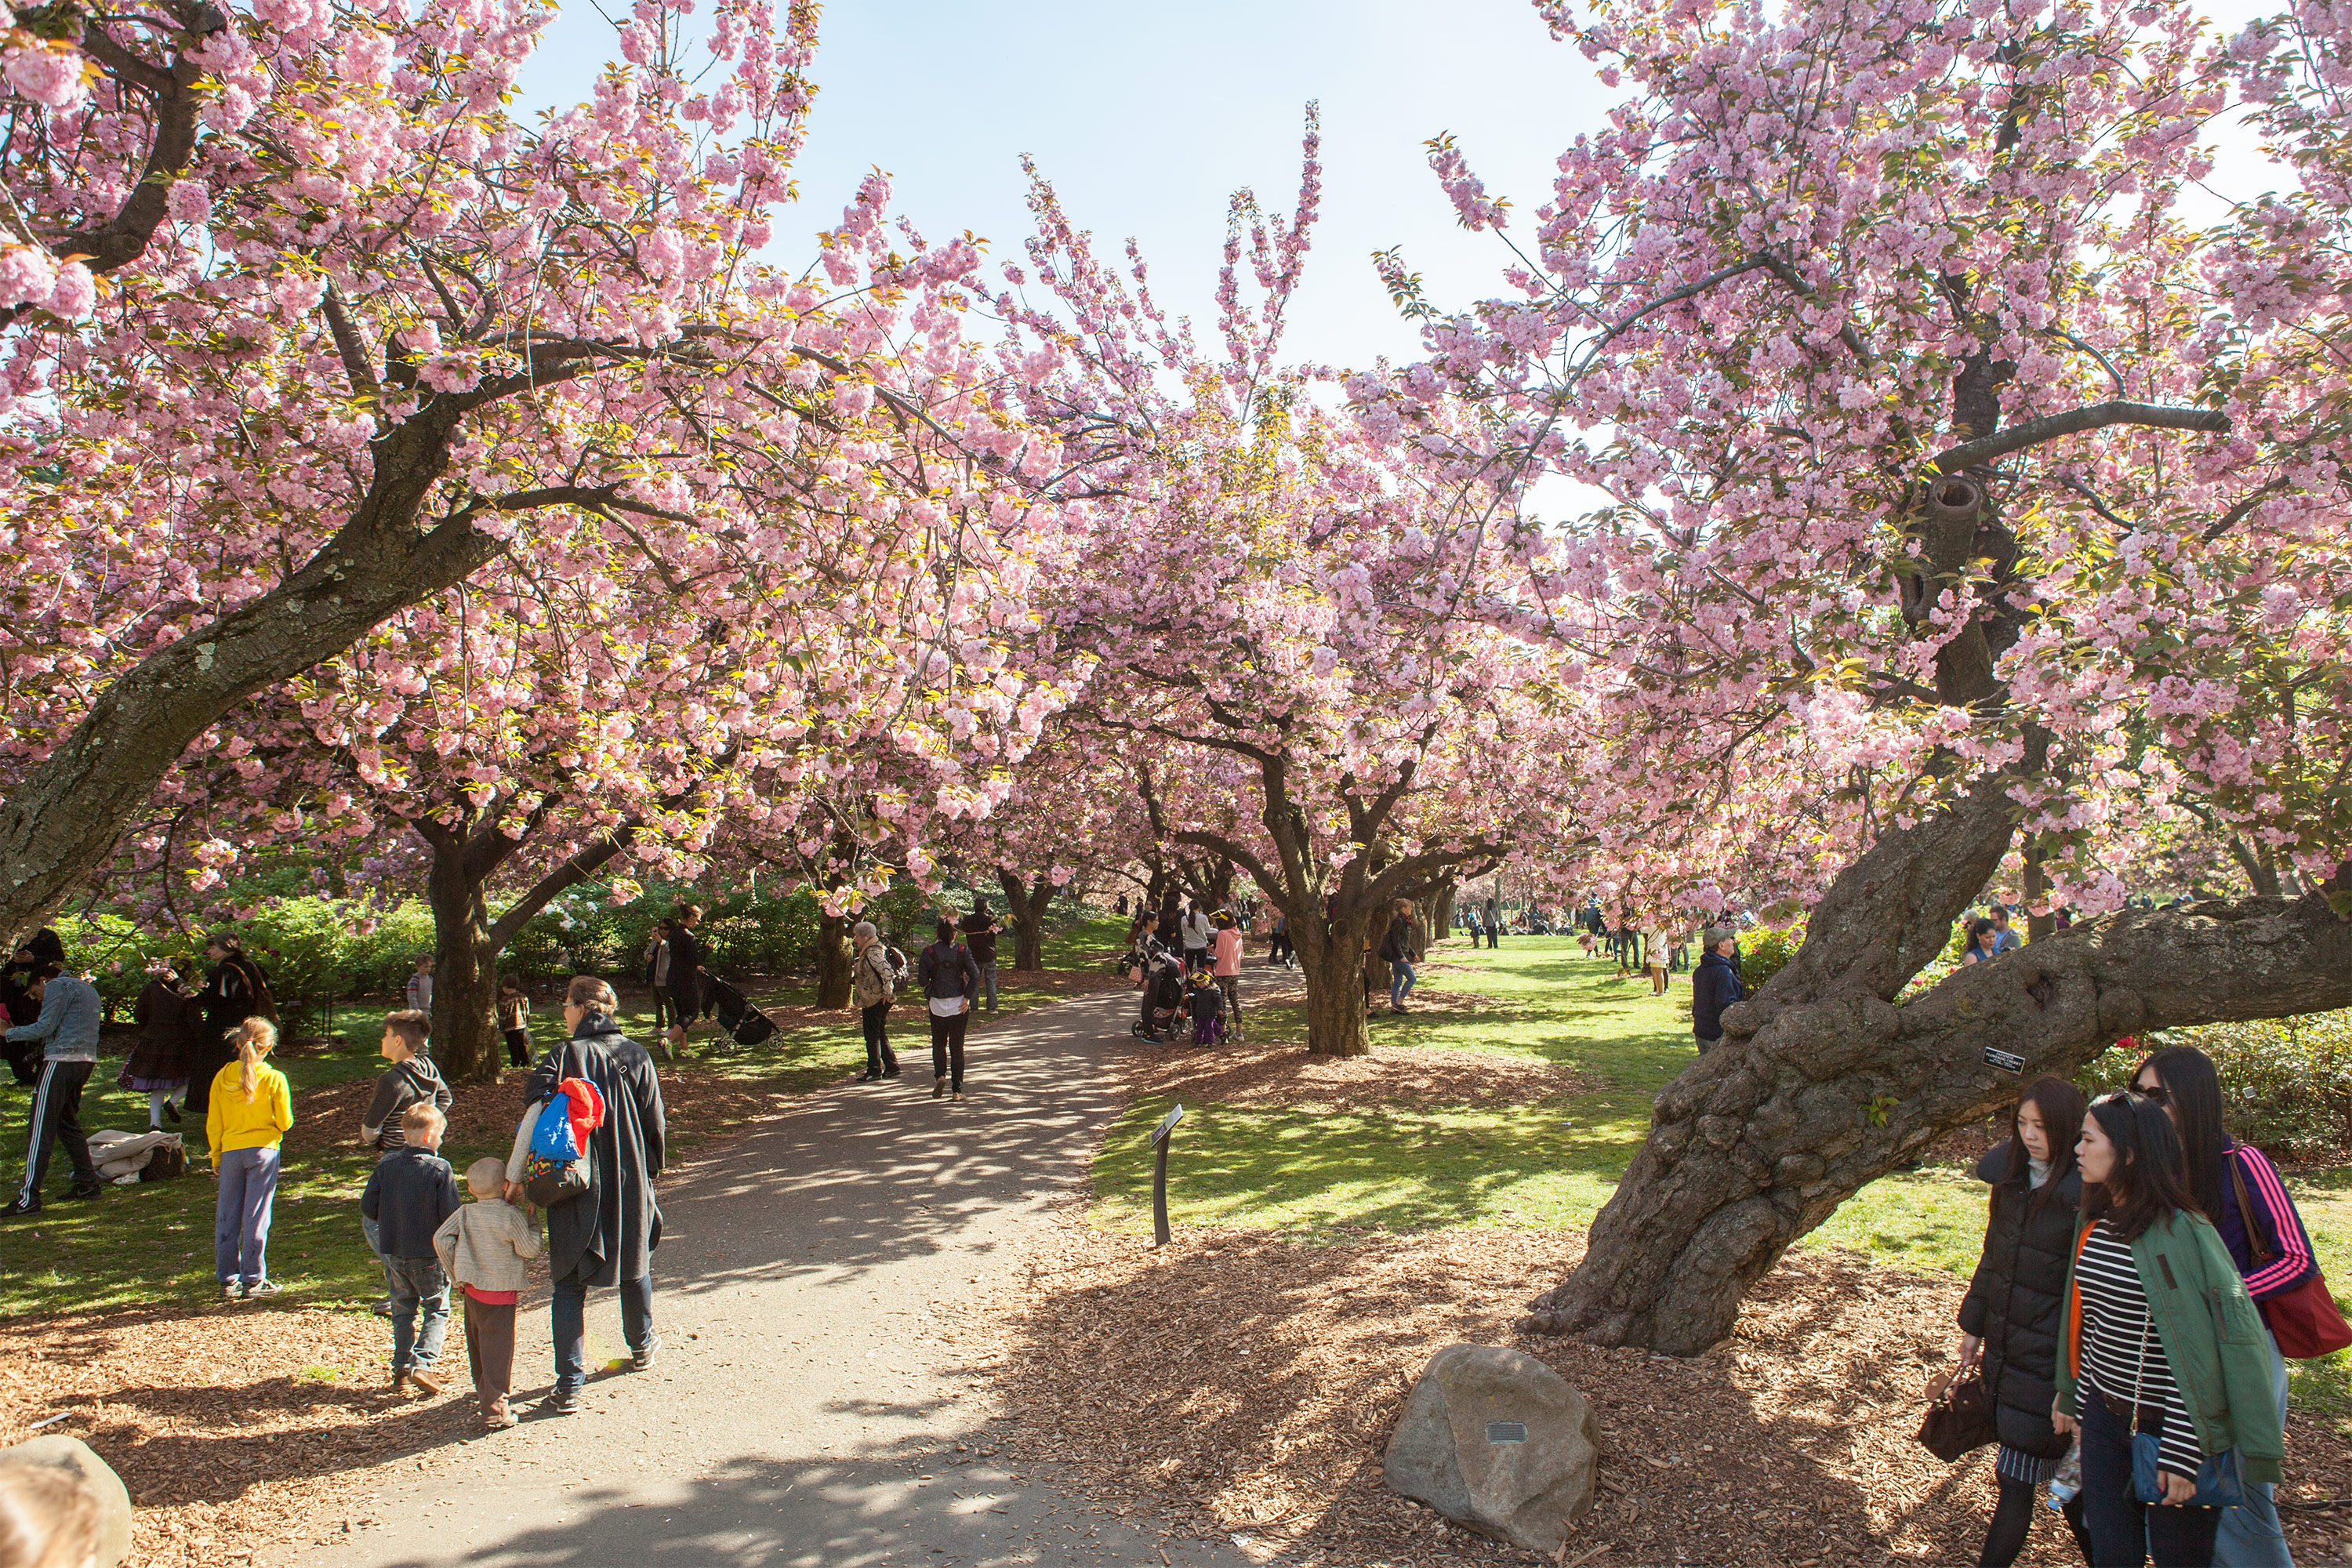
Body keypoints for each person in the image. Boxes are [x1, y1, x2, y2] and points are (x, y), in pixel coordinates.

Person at [2053, 1094, 2285, 1568]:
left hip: (2173, 1431)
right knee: (2113, 1556)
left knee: (2181, 1558)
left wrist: (2183, 1450)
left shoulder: (2185, 1234)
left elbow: (2202, 1350)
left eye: (2089, 1139)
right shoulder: (2094, 1225)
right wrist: (2077, 1403)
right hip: (2105, 1421)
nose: (2076, 1148)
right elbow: (2089, 1323)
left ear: (2131, 1154)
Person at [2135, 1046, 2320, 1567]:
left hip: (2240, 1351)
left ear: (2192, 1101)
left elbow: (2297, 1259)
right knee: (2180, 1501)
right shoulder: (2147, 1169)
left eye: (2157, 1096)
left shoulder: (2241, 1163)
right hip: (2170, 1357)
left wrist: (2221, 1298)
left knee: (2242, 1511)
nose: (2144, 1105)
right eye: (2137, 1093)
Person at [503, 975, 666, 1415]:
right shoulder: (636, 1053)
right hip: (630, 1177)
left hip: (575, 1182)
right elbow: (654, 1122)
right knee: (635, 1265)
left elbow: (533, 1117)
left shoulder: (562, 1056)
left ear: (580, 1008)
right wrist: (651, 1172)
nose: (563, 1013)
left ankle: (570, 1384)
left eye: (566, 1006)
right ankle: (642, 1346)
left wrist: (516, 1174)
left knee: (569, 1283)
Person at [1954, 1076, 2093, 1568]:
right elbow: (1994, 1257)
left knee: (2022, 1484)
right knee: (2063, 1487)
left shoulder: (2086, 1195)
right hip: (2010, 1352)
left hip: (2052, 1365)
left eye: (2042, 1126)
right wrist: (1974, 1327)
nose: (2031, 1135)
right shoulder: (2012, 1178)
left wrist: (2071, 1384)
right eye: (2022, 1124)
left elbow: (2088, 1300)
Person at [434, 1155, 541, 1429]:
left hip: (471, 1290)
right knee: (498, 1352)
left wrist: (455, 1273)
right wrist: (533, 1225)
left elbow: (440, 1239)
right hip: (500, 1294)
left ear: (469, 1190)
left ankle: (483, 1392)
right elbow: (529, 1250)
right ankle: (496, 1411)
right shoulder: (511, 1216)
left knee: (478, 1344)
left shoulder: (465, 1213)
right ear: (506, 1184)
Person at [361, 1102, 459, 1393]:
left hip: (395, 1252)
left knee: (403, 1309)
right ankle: (424, 1364)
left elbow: (368, 1205)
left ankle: (401, 1370)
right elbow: (451, 1215)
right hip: (428, 1253)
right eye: (440, 1136)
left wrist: (392, 1217)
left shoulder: (387, 1164)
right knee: (436, 1308)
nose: (441, 1142)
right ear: (430, 1137)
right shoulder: (439, 1168)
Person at [2, 964, 103, 1218]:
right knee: (66, 1123)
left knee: (40, 1127)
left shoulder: (58, 985)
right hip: (85, 1061)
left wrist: (8, 1032)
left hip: (61, 1061)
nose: (35, 997)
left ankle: (29, 1198)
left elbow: (44, 1027)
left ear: (43, 980)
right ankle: (88, 1184)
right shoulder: (87, 987)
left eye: (34, 991)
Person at [205, 1018, 292, 1299]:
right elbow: (285, 1121)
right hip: (264, 1151)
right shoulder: (274, 1077)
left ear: (238, 1043)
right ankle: (253, 1278)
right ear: (269, 1047)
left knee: (227, 1215)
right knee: (257, 1216)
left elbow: (214, 1122)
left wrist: (216, 1155)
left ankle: (227, 1279)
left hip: (230, 1151)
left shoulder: (222, 1076)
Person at [190, 935, 274, 1117]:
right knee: (249, 1064)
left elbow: (213, 1000)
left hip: (222, 1029)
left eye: (213, 947)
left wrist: (192, 994)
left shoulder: (223, 971)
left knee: (220, 1068)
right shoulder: (253, 967)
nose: (209, 951)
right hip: (250, 1025)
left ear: (225, 948)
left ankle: (221, 1106)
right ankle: (249, 1102)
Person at [122, 963, 201, 1131]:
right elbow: (193, 1017)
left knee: (158, 1082)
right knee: (194, 1074)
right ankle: (173, 1102)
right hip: (181, 1039)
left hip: (154, 1039)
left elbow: (139, 1013)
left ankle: (155, 1122)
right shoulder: (185, 990)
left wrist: (148, 1029)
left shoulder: (152, 987)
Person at [918, 917, 981, 1102]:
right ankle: (957, 1090)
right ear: (955, 934)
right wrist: (968, 997)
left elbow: (922, 981)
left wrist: (930, 984)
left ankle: (940, 1076)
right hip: (959, 1003)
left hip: (937, 1003)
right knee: (957, 1047)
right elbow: (975, 975)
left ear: (936, 934)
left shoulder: (928, 952)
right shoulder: (962, 950)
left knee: (938, 1043)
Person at [850, 920, 901, 1082]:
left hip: (876, 998)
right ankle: (891, 1067)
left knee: (872, 1035)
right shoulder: (871, 949)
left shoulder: (873, 952)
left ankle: (874, 1070)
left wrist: (887, 991)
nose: (854, 939)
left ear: (866, 937)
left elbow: (887, 971)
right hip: (874, 997)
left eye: (856, 936)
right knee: (879, 1033)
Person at [1690, 928, 1745, 1054]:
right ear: (1721, 945)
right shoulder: (1723, 972)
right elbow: (1726, 1006)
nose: (1733, 942)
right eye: (1729, 939)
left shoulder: (1701, 970)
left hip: (1702, 1031)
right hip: (1716, 1034)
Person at [664, 906, 706, 1057]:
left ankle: (684, 1048)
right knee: (692, 1012)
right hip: (686, 981)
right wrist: (707, 950)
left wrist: (695, 966)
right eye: (697, 920)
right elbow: (694, 959)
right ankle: (668, 1041)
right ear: (691, 918)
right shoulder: (689, 936)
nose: (697, 923)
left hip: (672, 978)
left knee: (682, 1014)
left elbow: (683, 958)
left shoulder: (674, 933)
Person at [960, 896, 1003, 1017]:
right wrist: (994, 914)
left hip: (974, 954)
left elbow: (963, 927)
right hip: (989, 954)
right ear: (986, 906)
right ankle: (992, 1007)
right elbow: (1001, 929)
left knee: (974, 981)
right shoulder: (990, 920)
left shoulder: (968, 920)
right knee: (991, 981)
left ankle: (974, 1007)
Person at [1381, 898, 1421, 1014]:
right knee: (1412, 978)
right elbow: (1395, 940)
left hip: (1400, 954)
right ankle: (1399, 1003)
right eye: (1410, 907)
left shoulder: (1404, 921)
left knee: (1398, 981)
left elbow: (1404, 942)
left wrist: (1413, 954)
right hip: (1398, 956)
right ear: (1403, 909)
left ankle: (1394, 1006)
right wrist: (1402, 956)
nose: (1411, 910)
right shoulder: (1398, 922)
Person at [1210, 913, 1245, 1040]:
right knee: (1235, 1001)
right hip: (1235, 971)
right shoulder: (1238, 934)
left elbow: (1218, 953)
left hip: (1223, 972)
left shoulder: (1222, 934)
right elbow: (1241, 954)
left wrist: (1211, 949)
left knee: (1222, 1002)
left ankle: (1223, 1032)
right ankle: (1239, 1032)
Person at [643, 923, 673, 1033]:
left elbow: (667, 948)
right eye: (661, 928)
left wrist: (660, 941)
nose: (663, 931)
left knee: (668, 1002)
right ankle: (658, 1026)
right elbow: (647, 951)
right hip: (653, 975)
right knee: (658, 1003)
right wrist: (648, 955)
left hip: (663, 976)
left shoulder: (670, 941)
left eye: (666, 928)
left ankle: (671, 1027)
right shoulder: (654, 941)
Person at [496, 977, 532, 1069]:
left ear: (505, 987)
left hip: (510, 1028)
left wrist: (501, 1028)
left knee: (513, 1046)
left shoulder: (504, 1001)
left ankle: (515, 1062)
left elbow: (503, 1017)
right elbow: (527, 1011)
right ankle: (525, 1061)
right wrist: (526, 1022)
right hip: (521, 1025)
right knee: (522, 1044)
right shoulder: (523, 997)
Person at [1186, 968, 1226, 1047]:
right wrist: (1190, 996)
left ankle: (1210, 1042)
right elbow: (1196, 997)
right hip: (1200, 1012)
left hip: (1210, 1012)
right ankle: (1198, 1042)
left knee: (1209, 1028)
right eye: (1198, 983)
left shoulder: (1213, 990)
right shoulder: (1199, 990)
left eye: (1201, 982)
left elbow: (1218, 1000)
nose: (1199, 984)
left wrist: (1220, 1008)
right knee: (1199, 1028)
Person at [1179, 900, 1212, 973]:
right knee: (1201, 968)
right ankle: (1200, 981)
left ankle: (1189, 982)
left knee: (1189, 967)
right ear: (1199, 908)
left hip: (1189, 946)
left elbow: (1184, 932)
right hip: (1201, 945)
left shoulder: (1184, 919)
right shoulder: (1203, 918)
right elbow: (1208, 929)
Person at [1644, 922, 1671, 996]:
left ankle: (1661, 991)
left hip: (1659, 953)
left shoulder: (1655, 928)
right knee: (1654, 970)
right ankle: (1658, 990)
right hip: (1654, 952)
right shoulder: (1660, 928)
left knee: (1658, 971)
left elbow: (1642, 929)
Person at [405, 954, 434, 1018]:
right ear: (418, 967)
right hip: (417, 1012)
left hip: (428, 1011)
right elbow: (412, 997)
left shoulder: (430, 979)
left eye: (430, 967)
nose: (428, 969)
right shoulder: (415, 981)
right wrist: (416, 1011)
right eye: (425, 967)